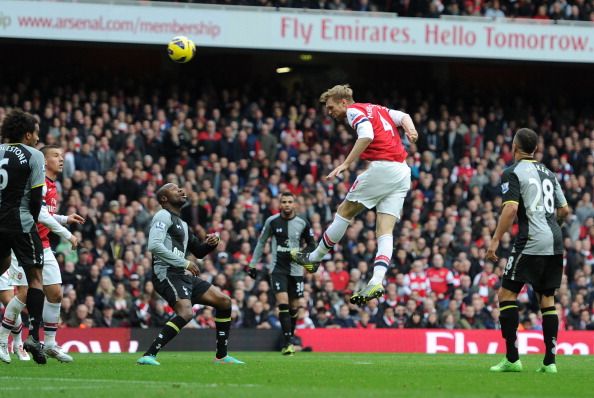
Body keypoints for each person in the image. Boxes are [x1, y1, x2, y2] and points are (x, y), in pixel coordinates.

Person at [292, 84, 418, 305]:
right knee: (384, 230)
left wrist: (346, 164)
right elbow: (404, 116)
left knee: (344, 211)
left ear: (343, 102)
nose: (330, 113)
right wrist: (411, 130)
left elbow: (366, 135)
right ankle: (377, 280)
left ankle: (314, 258)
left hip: (383, 168)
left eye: (331, 108)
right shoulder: (375, 108)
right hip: (402, 171)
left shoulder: (353, 111)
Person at [486, 128, 569, 374]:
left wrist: (494, 241)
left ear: (514, 146)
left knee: (506, 295)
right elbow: (564, 211)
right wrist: (552, 228)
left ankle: (512, 359)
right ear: (536, 149)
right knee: (547, 299)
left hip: (531, 240)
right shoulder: (550, 173)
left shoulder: (512, 172)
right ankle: (550, 363)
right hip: (554, 240)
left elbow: (510, 209)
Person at [136, 183, 244, 366]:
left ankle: (221, 356)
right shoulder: (163, 215)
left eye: (180, 188)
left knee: (224, 301)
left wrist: (211, 244)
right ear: (163, 198)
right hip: (166, 273)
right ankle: (149, 355)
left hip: (183, 275)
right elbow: (154, 245)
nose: (180, 190)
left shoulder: (183, 225)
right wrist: (184, 262)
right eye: (173, 188)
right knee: (186, 313)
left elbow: (199, 252)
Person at [0, 144, 84, 363]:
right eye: (56, 155)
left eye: (62, 155)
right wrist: (68, 234)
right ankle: (3, 340)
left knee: (55, 293)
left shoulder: (51, 185)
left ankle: (50, 344)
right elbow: (38, 215)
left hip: (44, 245)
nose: (61, 159)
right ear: (44, 161)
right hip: (25, 243)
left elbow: (46, 214)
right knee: (25, 293)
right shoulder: (38, 183)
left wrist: (65, 218)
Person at [0, 110, 46, 364]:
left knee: (3, 266)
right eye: (36, 133)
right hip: (22, 222)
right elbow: (37, 198)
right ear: (27, 134)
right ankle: (34, 337)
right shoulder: (34, 155)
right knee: (35, 277)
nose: (38, 138)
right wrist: (32, 220)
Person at [247, 191, 315, 355]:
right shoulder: (272, 222)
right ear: (279, 204)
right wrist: (253, 264)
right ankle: (288, 342)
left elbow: (312, 243)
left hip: (296, 270)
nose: (286, 204)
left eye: (289, 202)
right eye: (283, 201)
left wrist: (301, 254)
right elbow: (261, 242)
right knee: (283, 304)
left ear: (294, 204)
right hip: (277, 269)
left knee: (294, 307)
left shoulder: (302, 222)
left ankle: (289, 337)